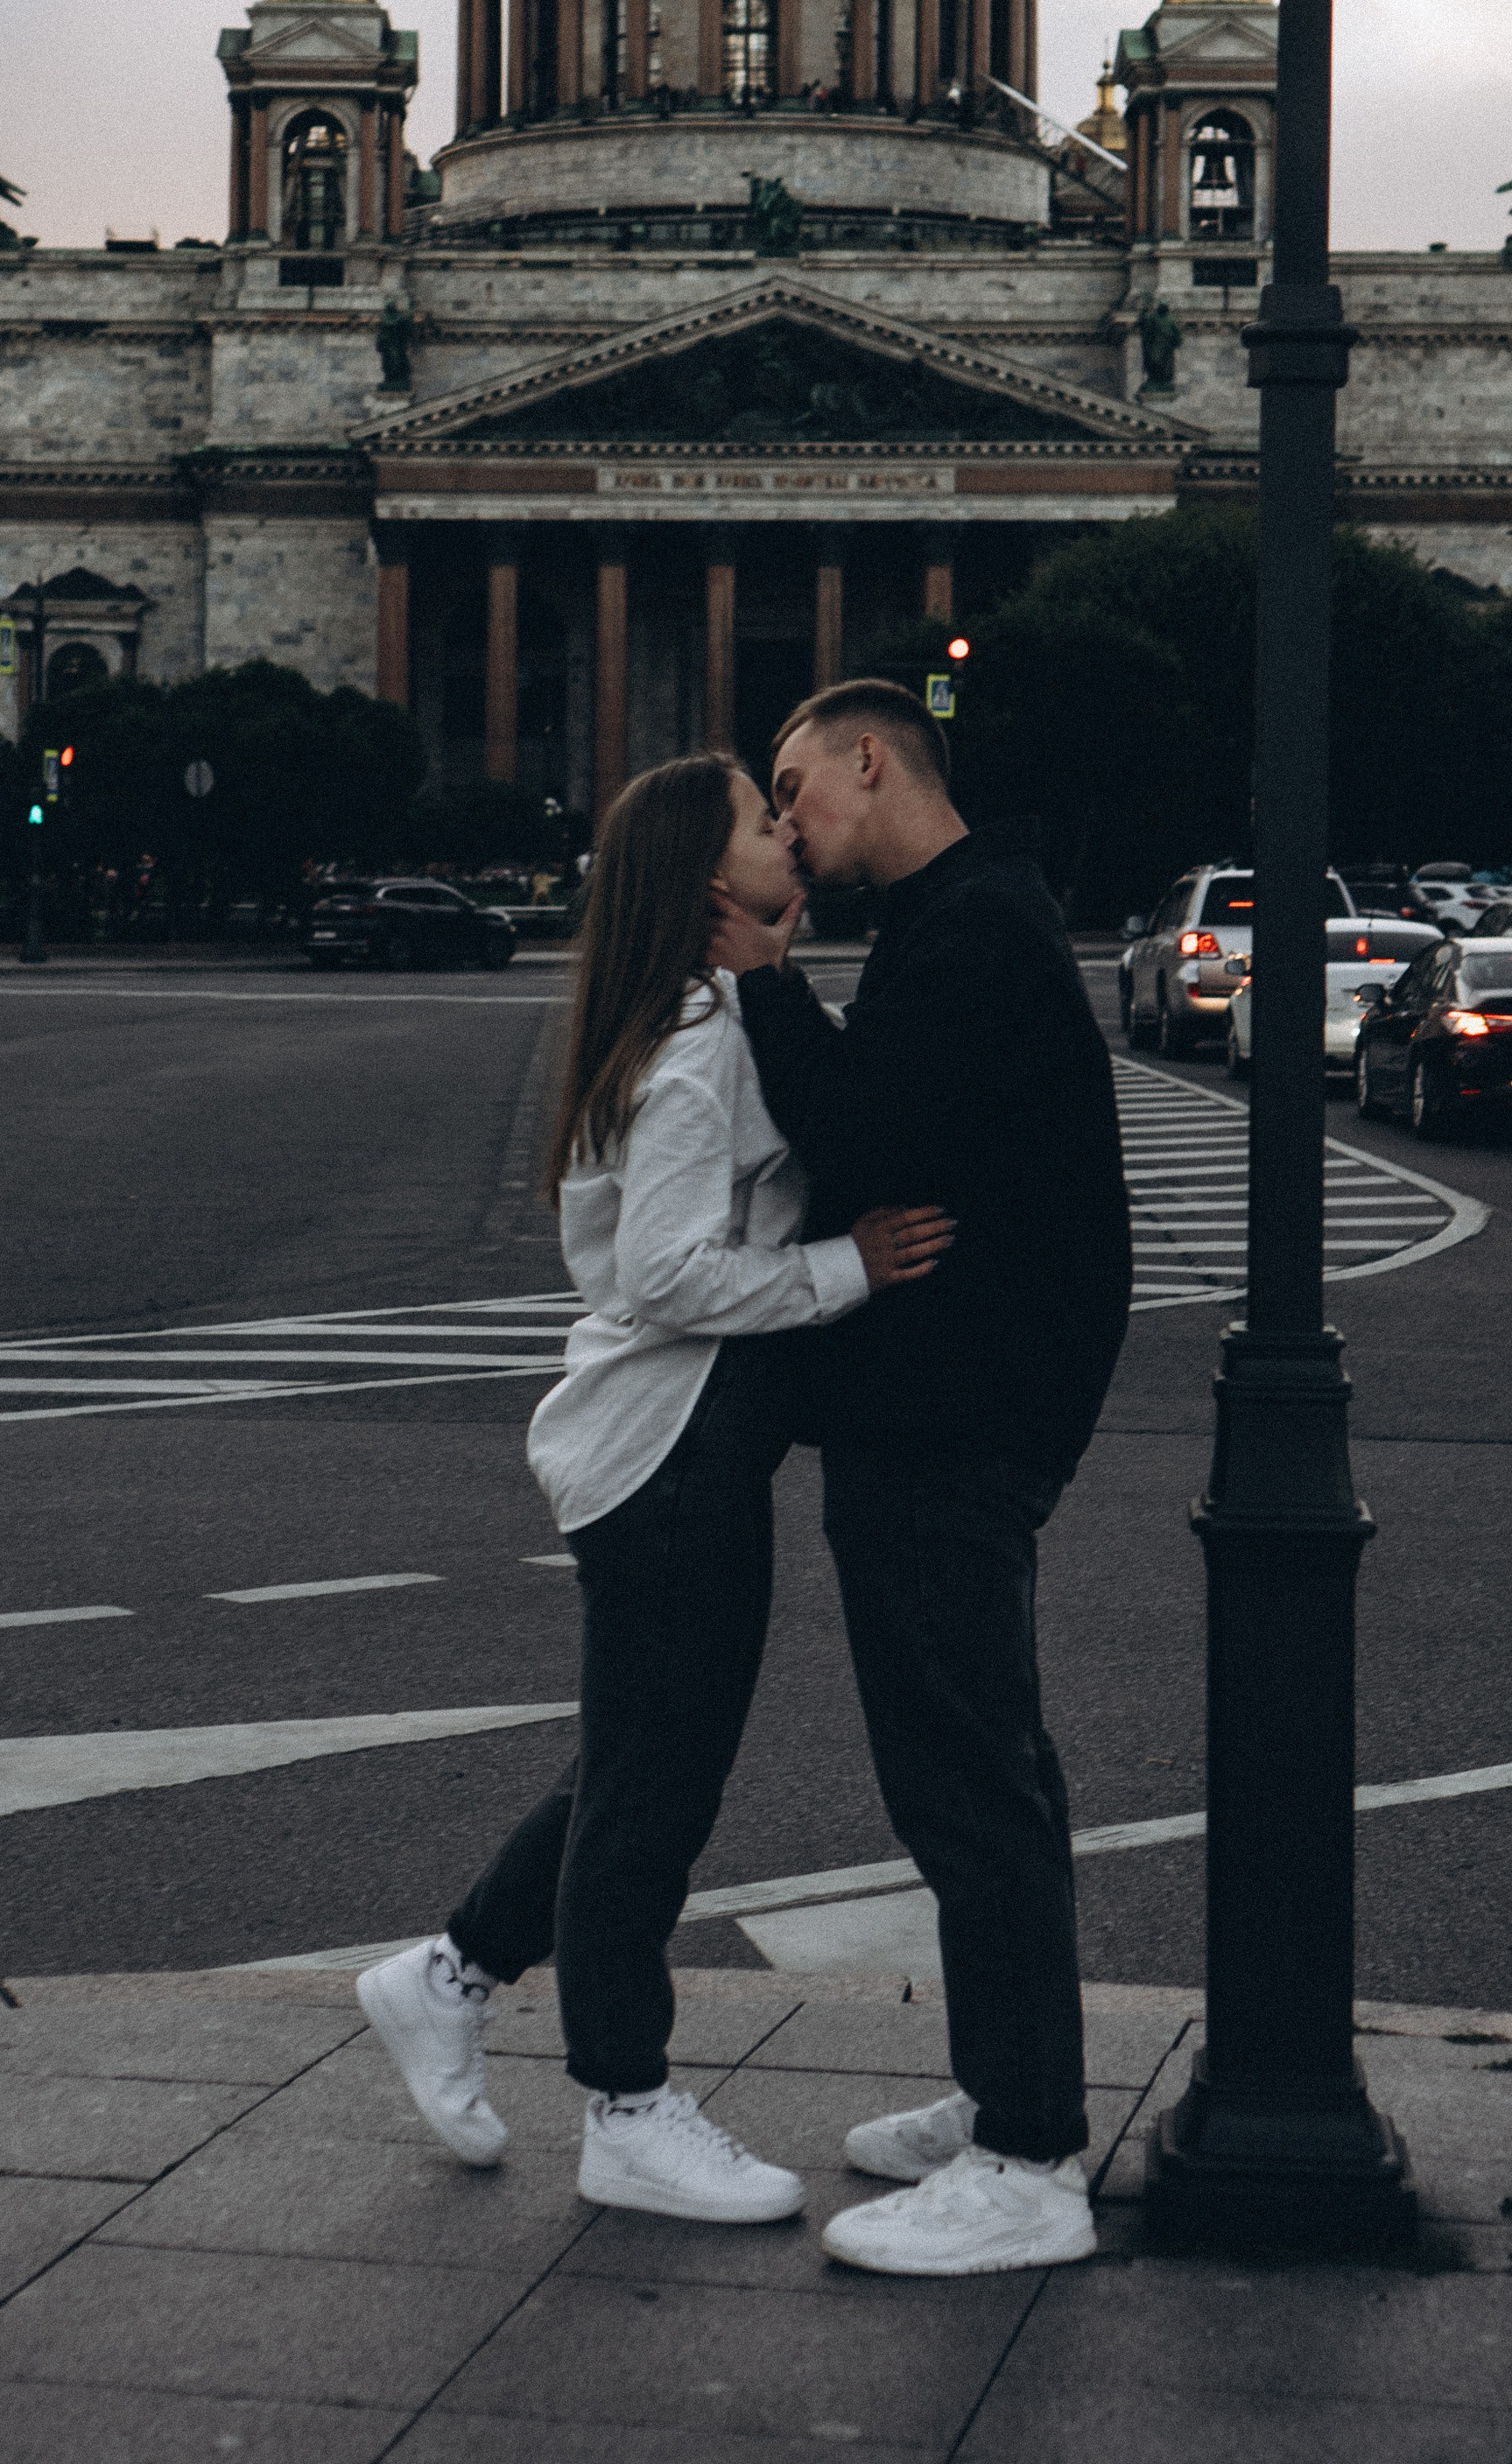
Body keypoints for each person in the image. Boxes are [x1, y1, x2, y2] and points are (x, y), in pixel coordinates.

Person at [357, 752, 952, 2226]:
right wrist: (848, 1269)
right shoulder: (694, 1041)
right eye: (761, 821)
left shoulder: (700, 1012)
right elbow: (666, 1273)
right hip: (668, 1453)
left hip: (676, 1449)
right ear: (703, 878)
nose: (788, 836)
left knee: (635, 1765)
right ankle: (625, 2106)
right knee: (655, 1796)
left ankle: (449, 1977)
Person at [710, 677, 1132, 2280]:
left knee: (969, 1787)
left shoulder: (968, 934)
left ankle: (1026, 2159)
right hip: (960, 1410)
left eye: (795, 784)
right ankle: (1006, 2094)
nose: (786, 819)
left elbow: (861, 1136)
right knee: (980, 1776)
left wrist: (764, 983)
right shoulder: (965, 916)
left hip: (951, 1421)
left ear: (872, 760)